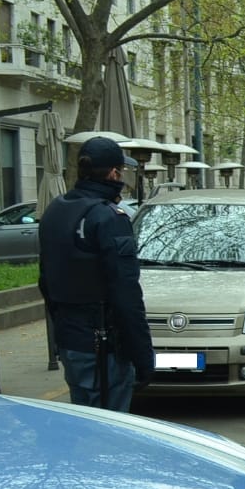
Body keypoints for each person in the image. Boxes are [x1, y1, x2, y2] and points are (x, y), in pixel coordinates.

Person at [38, 136, 153, 412]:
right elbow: (126, 293)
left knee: (82, 418)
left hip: (71, 339)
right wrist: (143, 355)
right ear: (114, 173)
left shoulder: (55, 210)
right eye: (121, 172)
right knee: (110, 431)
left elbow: (45, 281)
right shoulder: (109, 218)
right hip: (104, 346)